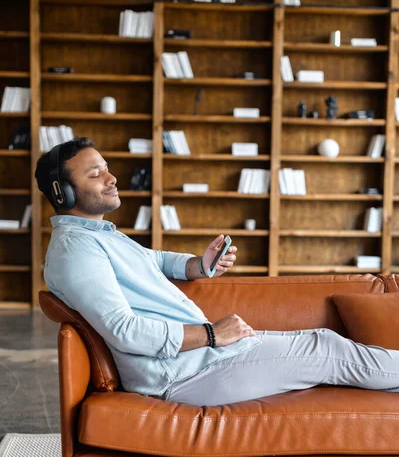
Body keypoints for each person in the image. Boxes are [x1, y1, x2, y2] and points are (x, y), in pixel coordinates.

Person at [35, 137, 399, 406]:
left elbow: (154, 259)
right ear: (62, 191)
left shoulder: (101, 236)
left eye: (107, 168)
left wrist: (198, 265)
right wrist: (211, 334)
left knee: (325, 341)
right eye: (96, 173)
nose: (111, 178)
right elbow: (125, 332)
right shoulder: (75, 251)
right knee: (327, 350)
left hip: (204, 361)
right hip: (185, 375)